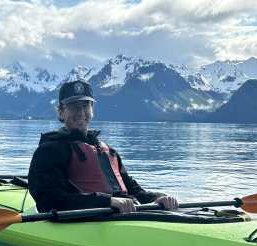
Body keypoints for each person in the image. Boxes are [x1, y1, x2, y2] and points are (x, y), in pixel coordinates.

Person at [28, 80, 178, 213]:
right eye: (73, 106)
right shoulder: (49, 151)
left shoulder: (108, 151)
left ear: (92, 109)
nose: (81, 112)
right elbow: (48, 201)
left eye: (85, 105)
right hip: (89, 219)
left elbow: (135, 191)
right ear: (61, 112)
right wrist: (107, 201)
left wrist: (159, 198)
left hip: (125, 214)